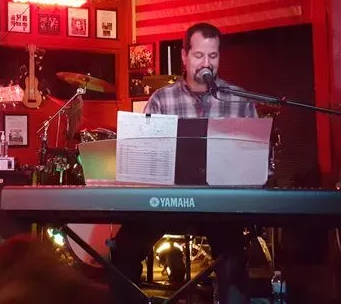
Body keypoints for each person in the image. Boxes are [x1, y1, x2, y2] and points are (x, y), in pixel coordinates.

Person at [110, 22, 257, 304]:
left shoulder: (239, 100)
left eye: (213, 56)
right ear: (184, 56)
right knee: (124, 248)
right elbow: (145, 159)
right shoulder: (161, 100)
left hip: (219, 204)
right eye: (199, 55)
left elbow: (254, 162)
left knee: (233, 254)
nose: (206, 63)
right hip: (168, 201)